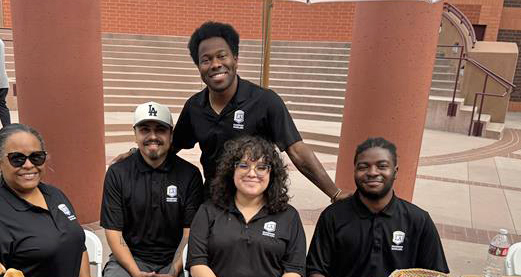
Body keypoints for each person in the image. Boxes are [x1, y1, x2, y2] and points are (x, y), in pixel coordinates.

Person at [115, 21, 351, 203]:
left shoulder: (265, 101)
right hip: (213, 202)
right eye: (205, 60)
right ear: (198, 67)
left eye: (221, 56)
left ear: (235, 59)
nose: (215, 64)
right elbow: (171, 146)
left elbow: (297, 151)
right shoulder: (195, 107)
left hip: (258, 200)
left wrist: (334, 192)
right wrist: (135, 154)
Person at [306, 137, 449, 277]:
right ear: (354, 171)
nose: (372, 172)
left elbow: (436, 276)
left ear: (395, 172)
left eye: (382, 166)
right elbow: (315, 271)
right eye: (363, 167)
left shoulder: (419, 220)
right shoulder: (333, 216)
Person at [0, 123, 91, 277]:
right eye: (17, 158)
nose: (29, 165)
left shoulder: (55, 195)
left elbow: (79, 245)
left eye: (36, 157)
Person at [100, 102, 204, 277]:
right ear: (135, 134)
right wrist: (135, 272)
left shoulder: (190, 175)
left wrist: (173, 271)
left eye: (161, 130)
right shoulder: (118, 173)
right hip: (130, 260)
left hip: (175, 260)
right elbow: (114, 233)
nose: (153, 136)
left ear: (171, 135)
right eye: (145, 129)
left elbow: (189, 234)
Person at [187, 135, 305, 277]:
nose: (252, 173)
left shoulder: (289, 216)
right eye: (243, 165)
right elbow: (197, 263)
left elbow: (294, 269)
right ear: (232, 171)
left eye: (262, 167)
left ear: (272, 173)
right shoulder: (208, 210)